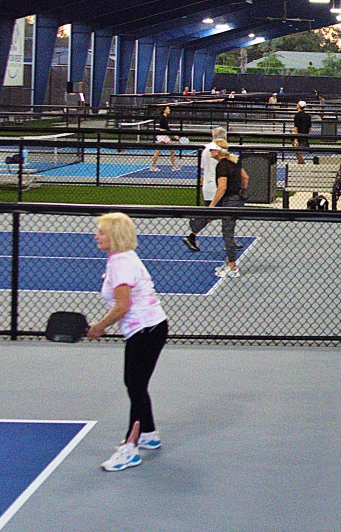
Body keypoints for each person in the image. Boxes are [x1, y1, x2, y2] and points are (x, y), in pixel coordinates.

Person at [87, 212, 168, 472]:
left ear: (115, 236)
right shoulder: (120, 258)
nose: (96, 236)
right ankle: (148, 433)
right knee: (135, 384)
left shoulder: (121, 262)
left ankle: (130, 449)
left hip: (146, 329)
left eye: (101, 232)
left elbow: (123, 306)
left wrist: (99, 327)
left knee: (135, 386)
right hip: (147, 328)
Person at [182, 141, 248, 277]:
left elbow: (222, 188)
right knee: (228, 231)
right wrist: (242, 191)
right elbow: (245, 177)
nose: (210, 152)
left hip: (230, 202)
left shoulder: (222, 165)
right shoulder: (234, 161)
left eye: (212, 149)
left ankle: (233, 267)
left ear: (217, 151)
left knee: (227, 232)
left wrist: (212, 205)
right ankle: (229, 262)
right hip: (235, 200)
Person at [182, 127, 240, 253]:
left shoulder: (205, 150)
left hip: (210, 186)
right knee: (218, 214)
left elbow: (204, 167)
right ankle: (194, 231)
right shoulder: (220, 151)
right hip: (217, 186)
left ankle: (228, 240)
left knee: (216, 214)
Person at [149, 106, 179, 172]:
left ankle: (174, 166)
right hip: (162, 135)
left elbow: (167, 129)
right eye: (167, 109)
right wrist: (174, 135)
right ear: (164, 110)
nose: (169, 110)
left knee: (172, 150)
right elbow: (167, 128)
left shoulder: (165, 118)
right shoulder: (163, 118)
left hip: (165, 135)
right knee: (158, 151)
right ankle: (153, 166)